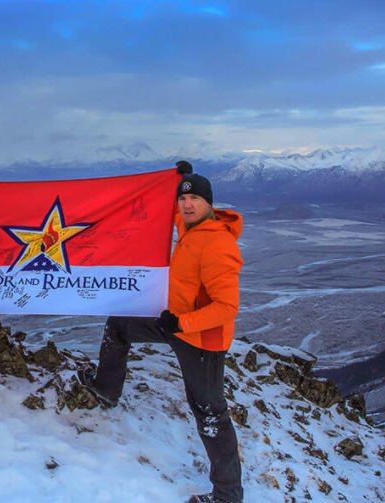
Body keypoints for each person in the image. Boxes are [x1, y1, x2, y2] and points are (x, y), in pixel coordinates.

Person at [77, 168, 244, 503]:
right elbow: (172, 210)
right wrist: (178, 180)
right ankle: (106, 388)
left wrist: (182, 323)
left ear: (209, 204)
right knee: (120, 325)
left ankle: (227, 496)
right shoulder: (190, 226)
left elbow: (227, 307)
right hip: (174, 323)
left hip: (202, 340)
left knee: (210, 413)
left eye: (194, 198)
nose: (186, 204)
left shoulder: (217, 243)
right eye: (183, 198)